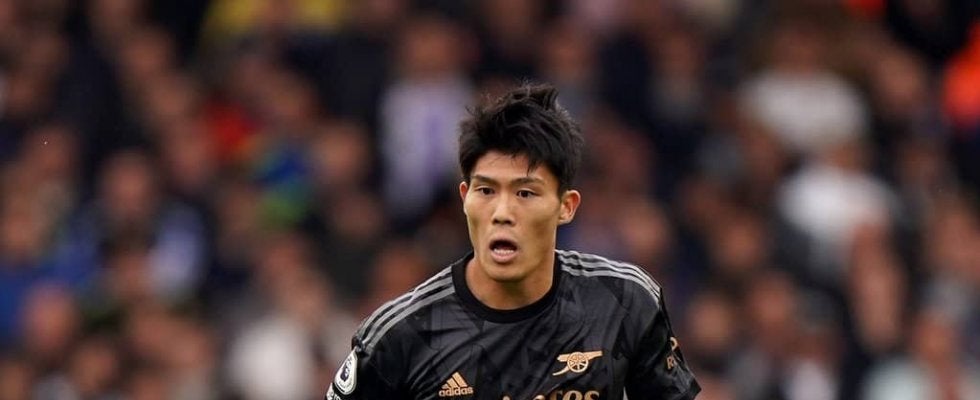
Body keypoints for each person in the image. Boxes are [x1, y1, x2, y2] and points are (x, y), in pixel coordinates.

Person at [325, 83, 700, 400]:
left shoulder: (624, 301)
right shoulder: (399, 337)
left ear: (566, 206)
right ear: (464, 198)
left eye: (525, 193)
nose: (502, 212)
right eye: (486, 190)